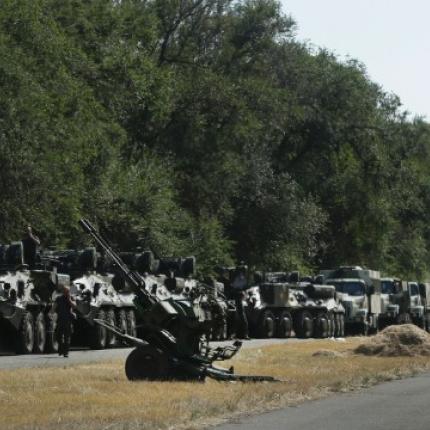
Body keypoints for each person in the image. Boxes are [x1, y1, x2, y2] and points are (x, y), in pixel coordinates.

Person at [52, 286, 76, 357]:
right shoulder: (59, 298)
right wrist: (51, 313)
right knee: (58, 336)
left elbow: (74, 306)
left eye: (68, 291)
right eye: (65, 291)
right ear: (63, 292)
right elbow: (54, 307)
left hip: (68, 321)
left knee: (67, 337)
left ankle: (66, 352)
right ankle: (61, 347)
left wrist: (69, 300)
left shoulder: (71, 298)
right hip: (60, 320)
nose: (66, 293)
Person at [231, 266, 250, 340]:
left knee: (240, 317)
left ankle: (243, 334)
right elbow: (236, 286)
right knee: (239, 317)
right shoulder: (240, 278)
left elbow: (239, 287)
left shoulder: (240, 278)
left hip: (240, 297)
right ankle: (241, 334)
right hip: (238, 297)